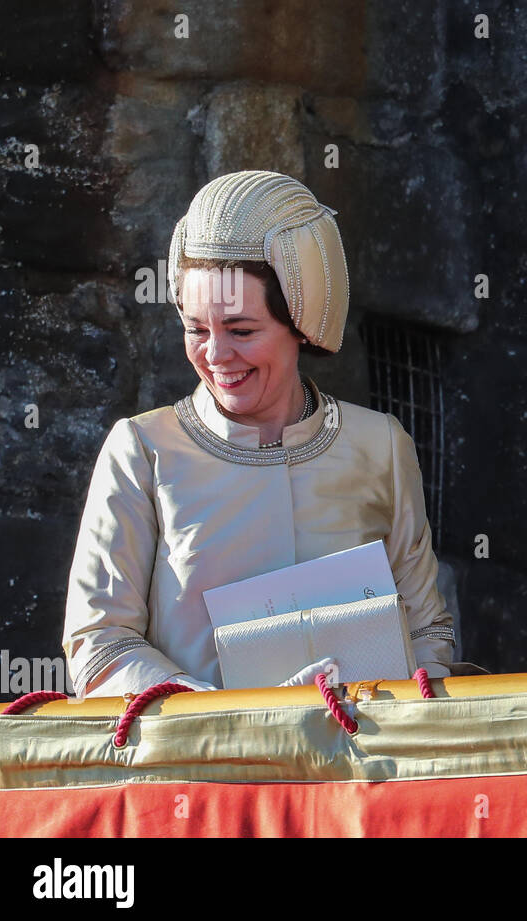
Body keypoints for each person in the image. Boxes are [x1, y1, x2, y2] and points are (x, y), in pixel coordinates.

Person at [63, 170, 455, 696]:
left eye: (242, 331)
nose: (217, 355)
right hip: (202, 773)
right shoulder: (141, 450)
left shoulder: (380, 445)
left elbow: (429, 630)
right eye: (197, 330)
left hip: (358, 771)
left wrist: (412, 707)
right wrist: (218, 716)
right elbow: (99, 641)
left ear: (301, 324)